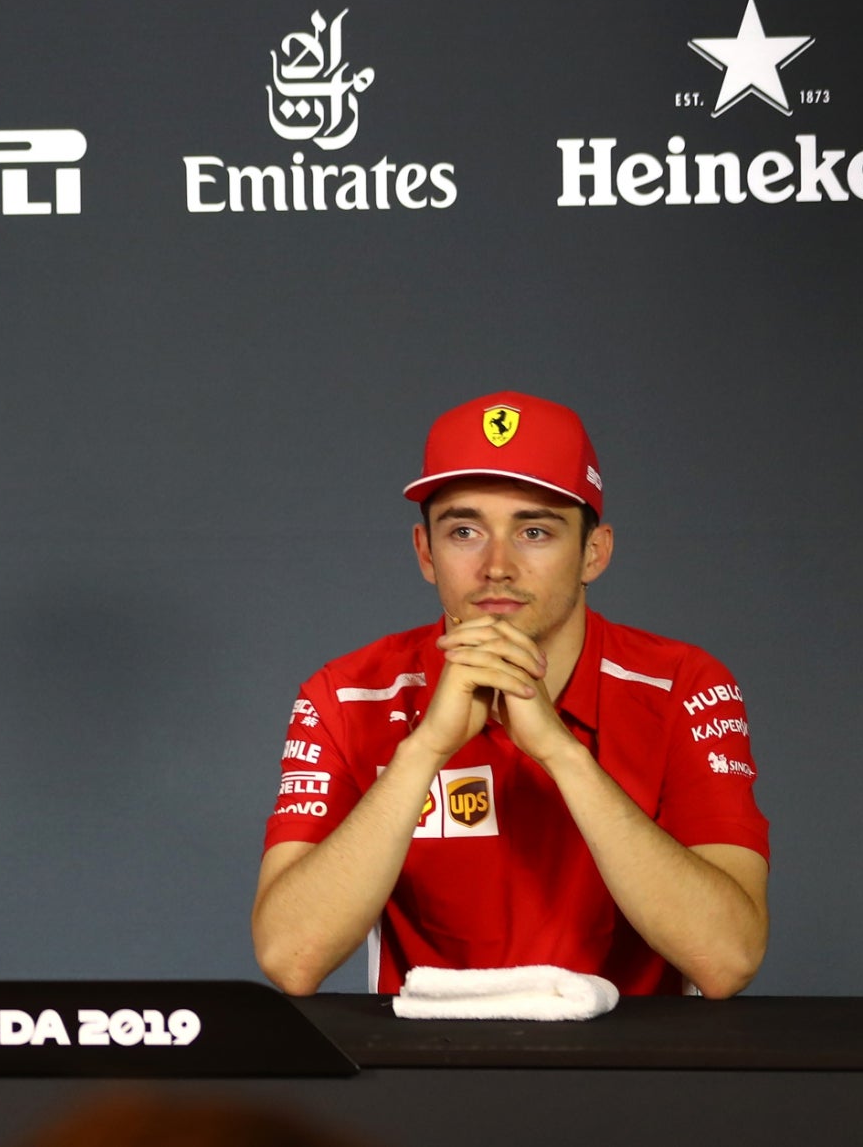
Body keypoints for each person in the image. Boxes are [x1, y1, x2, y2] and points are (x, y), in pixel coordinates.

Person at [250, 393, 768, 998]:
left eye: (535, 530)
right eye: (465, 530)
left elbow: (727, 959)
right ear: (425, 552)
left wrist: (560, 753)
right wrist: (424, 752)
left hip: (631, 1079)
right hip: (422, 1077)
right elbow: (290, 958)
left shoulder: (685, 685)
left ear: (593, 553)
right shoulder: (347, 694)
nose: (497, 566)